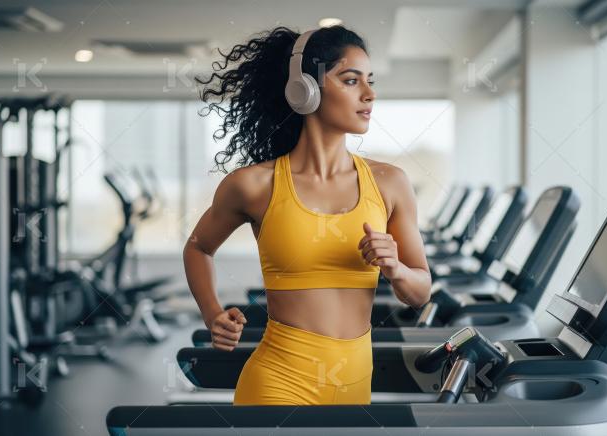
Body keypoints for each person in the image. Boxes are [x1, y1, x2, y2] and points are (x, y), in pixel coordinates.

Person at [184, 25, 431, 406]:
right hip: (276, 383)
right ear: (304, 89)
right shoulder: (254, 185)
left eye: (370, 81)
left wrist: (396, 268)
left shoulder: (390, 183)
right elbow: (199, 247)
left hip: (354, 385)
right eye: (351, 80)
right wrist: (212, 313)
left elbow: (420, 293)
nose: (370, 94)